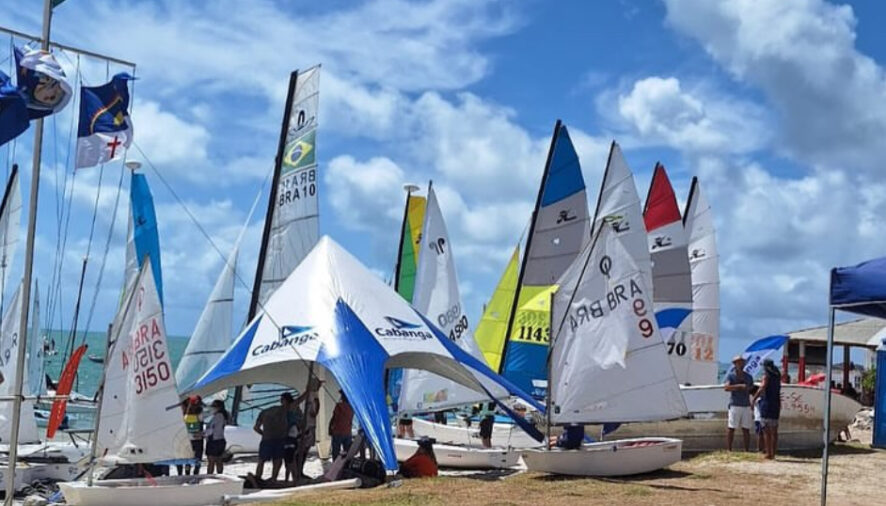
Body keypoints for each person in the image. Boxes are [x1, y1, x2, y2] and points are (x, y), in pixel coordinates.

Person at [253, 394, 290, 481]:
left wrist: (264, 434)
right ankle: (273, 478)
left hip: (267, 439)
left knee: (261, 460)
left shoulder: (264, 412)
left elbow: (256, 428)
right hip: (279, 439)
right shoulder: (284, 410)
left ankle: (258, 478)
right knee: (277, 460)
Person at [293, 377, 322, 481]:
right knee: (302, 449)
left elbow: (315, 409)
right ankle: (297, 472)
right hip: (307, 426)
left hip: (310, 425)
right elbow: (312, 409)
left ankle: (299, 471)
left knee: (305, 449)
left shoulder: (314, 394)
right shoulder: (310, 394)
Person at [753, 359, 782, 460]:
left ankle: (769, 453)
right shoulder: (777, 376)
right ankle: (773, 452)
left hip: (767, 403)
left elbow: (762, 388)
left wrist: (754, 399)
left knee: (766, 430)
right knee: (774, 431)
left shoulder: (766, 376)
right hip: (776, 403)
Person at [724, 355, 753, 452]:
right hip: (735, 404)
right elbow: (726, 388)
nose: (741, 364)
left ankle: (747, 450)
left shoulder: (748, 376)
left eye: (742, 362)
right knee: (731, 427)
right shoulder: (731, 375)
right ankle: (729, 449)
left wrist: (747, 388)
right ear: (735, 364)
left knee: (746, 428)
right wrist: (739, 386)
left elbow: (751, 388)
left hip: (746, 404)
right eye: (739, 362)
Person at [204, 400, 229, 474]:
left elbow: (212, 429)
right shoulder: (224, 415)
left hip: (214, 441)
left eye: (214, 406)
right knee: (218, 460)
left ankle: (209, 475)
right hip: (220, 440)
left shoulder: (218, 416)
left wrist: (202, 434)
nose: (212, 408)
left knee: (211, 461)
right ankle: (220, 475)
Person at [329, 390, 354, 459]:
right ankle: (346, 466)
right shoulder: (352, 407)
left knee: (336, 452)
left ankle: (335, 466)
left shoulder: (339, 406)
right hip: (347, 432)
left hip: (337, 432)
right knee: (348, 452)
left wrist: (330, 428)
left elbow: (334, 418)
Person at [750, 385, 764, 453]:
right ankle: (760, 448)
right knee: (760, 434)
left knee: (759, 434)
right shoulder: (760, 399)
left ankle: (759, 448)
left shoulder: (758, 400)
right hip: (758, 418)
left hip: (759, 418)